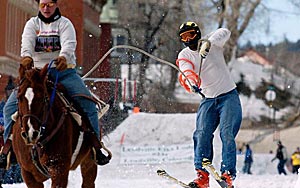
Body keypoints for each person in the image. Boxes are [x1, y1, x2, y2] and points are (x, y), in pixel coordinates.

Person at [0, 0, 110, 168]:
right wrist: (27, 57)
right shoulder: (32, 24)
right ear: (38, 5)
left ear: (56, 5)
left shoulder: (65, 24)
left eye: (50, 4)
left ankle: (95, 147)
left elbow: (69, 44)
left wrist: (64, 57)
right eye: (43, 4)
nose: (46, 8)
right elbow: (26, 44)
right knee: (9, 108)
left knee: (87, 104)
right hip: (36, 76)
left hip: (63, 73)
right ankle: (9, 149)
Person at [176, 22, 242, 188]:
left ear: (197, 33)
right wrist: (191, 82)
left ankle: (227, 174)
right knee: (201, 134)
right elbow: (186, 70)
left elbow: (225, 31)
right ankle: (202, 176)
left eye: (190, 34)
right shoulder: (184, 55)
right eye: (184, 37)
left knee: (227, 133)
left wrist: (209, 42)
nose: (188, 39)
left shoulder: (213, 44)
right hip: (208, 100)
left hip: (229, 97)